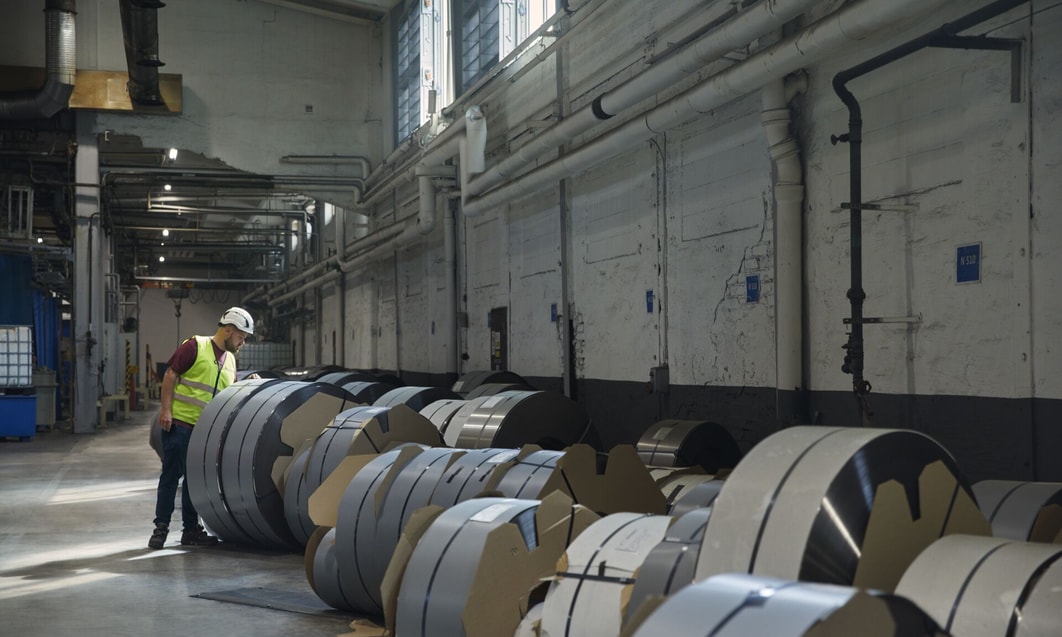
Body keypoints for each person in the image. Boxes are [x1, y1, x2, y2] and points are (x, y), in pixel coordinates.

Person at [148, 306, 254, 549]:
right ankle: (160, 529)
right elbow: (170, 374)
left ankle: (190, 530)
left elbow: (227, 393)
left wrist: (246, 384)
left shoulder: (230, 361)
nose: (242, 343)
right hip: (180, 426)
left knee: (194, 482)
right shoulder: (196, 346)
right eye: (241, 337)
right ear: (227, 331)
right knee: (171, 477)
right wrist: (166, 410)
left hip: (205, 432)